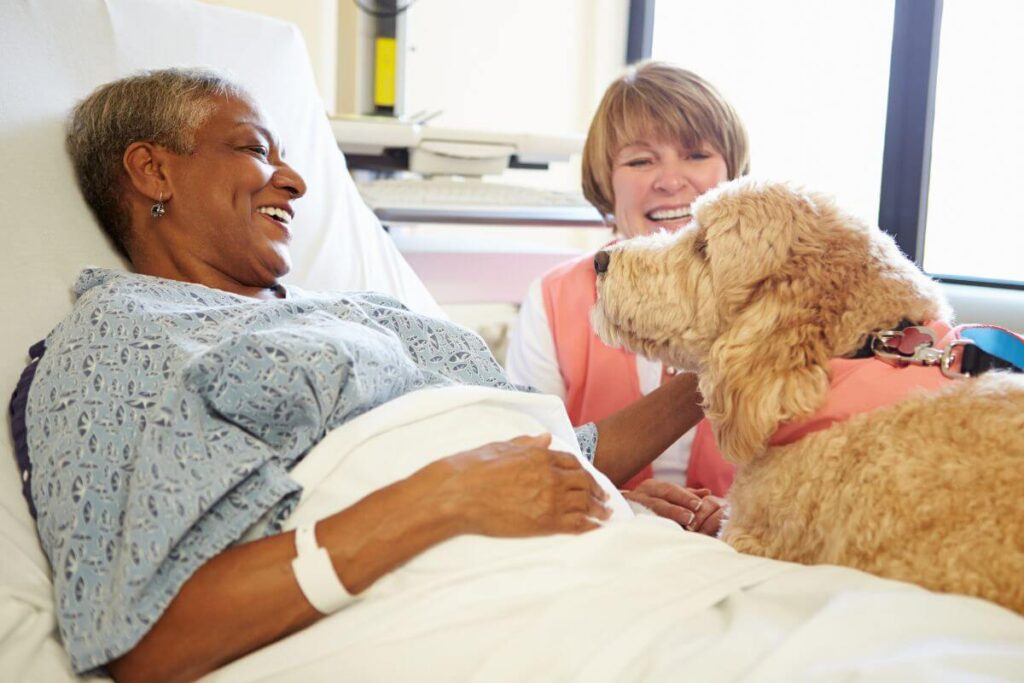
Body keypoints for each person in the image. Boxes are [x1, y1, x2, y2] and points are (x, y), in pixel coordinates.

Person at [15, 68, 727, 682]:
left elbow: (557, 455)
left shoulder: (367, 310)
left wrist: (731, 360)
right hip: (474, 610)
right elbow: (140, 640)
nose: (292, 180)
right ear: (152, 170)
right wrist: (443, 495)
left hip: (620, 568)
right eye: (253, 150)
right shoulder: (121, 331)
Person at [506, 61, 745, 501]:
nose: (672, 181)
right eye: (640, 160)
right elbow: (529, 465)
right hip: (607, 536)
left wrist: (739, 511)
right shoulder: (555, 300)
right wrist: (627, 505)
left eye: (696, 154)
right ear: (606, 182)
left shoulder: (777, 292)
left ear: (732, 171)